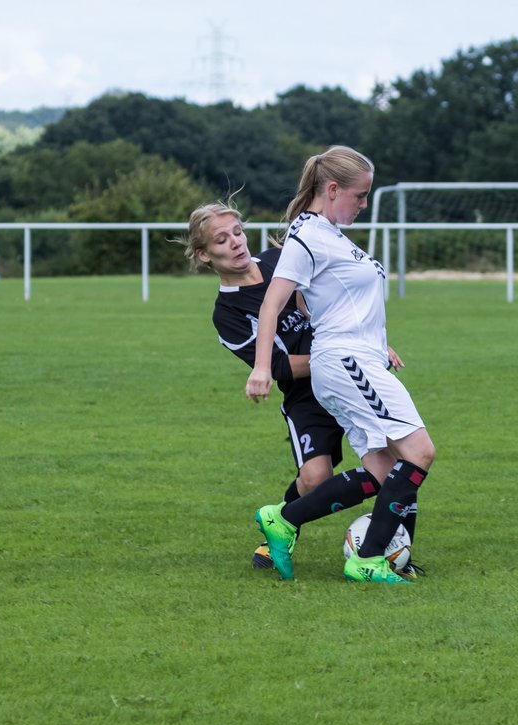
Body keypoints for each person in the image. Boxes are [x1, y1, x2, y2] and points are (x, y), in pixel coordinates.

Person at [183, 200, 421, 579]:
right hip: (306, 391)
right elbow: (278, 367)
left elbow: (331, 301)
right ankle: (280, 526)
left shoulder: (280, 260)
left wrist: (362, 346)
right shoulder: (226, 314)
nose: (236, 243)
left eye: (238, 233)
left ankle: (396, 552)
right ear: (203, 254)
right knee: (315, 479)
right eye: (221, 240)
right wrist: (341, 356)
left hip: (348, 371)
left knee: (399, 455)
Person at [246, 147, 436, 585]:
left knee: (383, 473)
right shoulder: (307, 236)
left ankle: (285, 518)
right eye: (360, 195)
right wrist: (261, 367)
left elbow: (337, 300)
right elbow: (274, 302)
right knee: (420, 452)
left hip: (360, 359)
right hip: (345, 362)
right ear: (332, 190)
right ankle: (366, 560)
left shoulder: (330, 233)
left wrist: (378, 343)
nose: (364, 204)